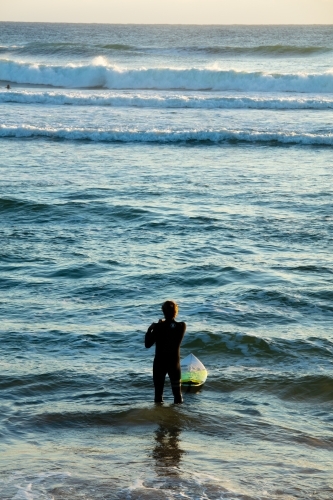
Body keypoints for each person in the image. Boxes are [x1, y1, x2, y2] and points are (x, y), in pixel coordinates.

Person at [145, 300, 186, 404]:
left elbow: (147, 344)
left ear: (163, 312)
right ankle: (177, 417)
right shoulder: (182, 326)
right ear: (176, 311)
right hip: (174, 363)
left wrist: (150, 330)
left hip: (160, 363)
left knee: (158, 395)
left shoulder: (158, 327)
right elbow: (170, 328)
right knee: (177, 394)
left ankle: (159, 418)